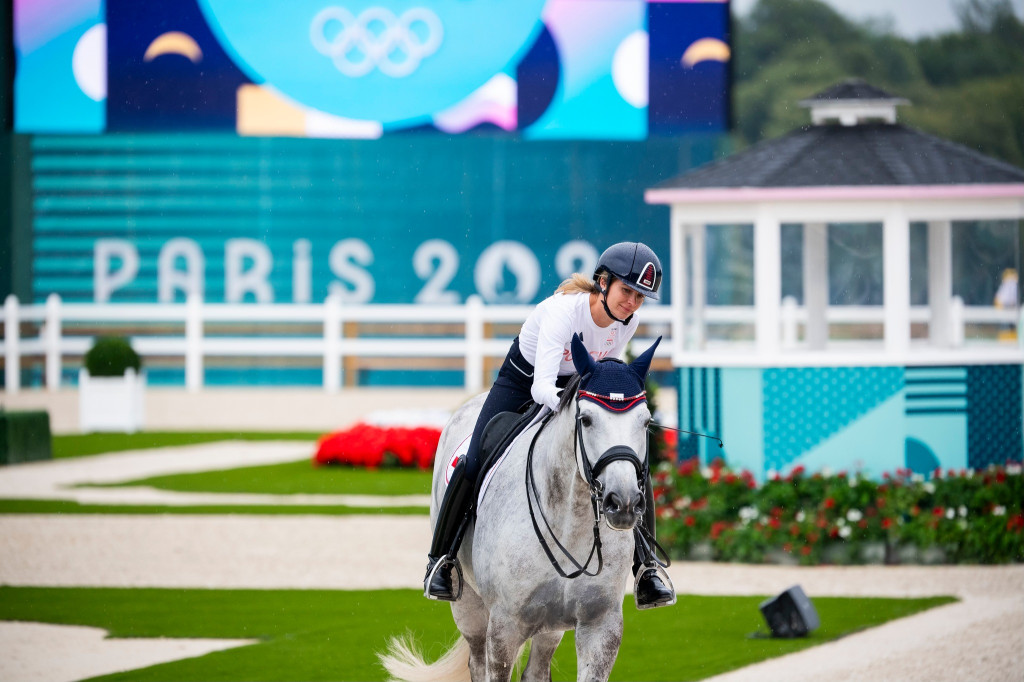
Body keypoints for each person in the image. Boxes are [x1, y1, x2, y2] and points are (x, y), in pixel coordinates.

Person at [424, 241, 675, 609]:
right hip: (524, 381)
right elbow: (542, 386)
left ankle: (647, 568)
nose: (633, 303)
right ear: (603, 282)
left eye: (640, 297)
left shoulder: (628, 320)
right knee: (475, 457)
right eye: (627, 291)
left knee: (629, 466)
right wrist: (577, 413)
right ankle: (441, 561)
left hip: (577, 389)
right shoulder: (563, 313)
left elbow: (607, 373)